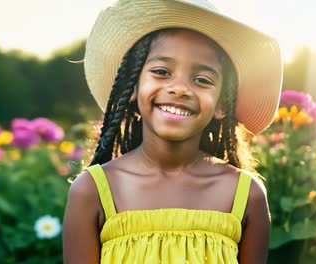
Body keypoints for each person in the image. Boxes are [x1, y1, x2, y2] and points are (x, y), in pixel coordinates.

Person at [63, 0, 283, 263]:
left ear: (222, 104)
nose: (179, 88)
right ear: (133, 86)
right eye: (161, 72)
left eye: (202, 80)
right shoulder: (91, 191)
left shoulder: (246, 194)